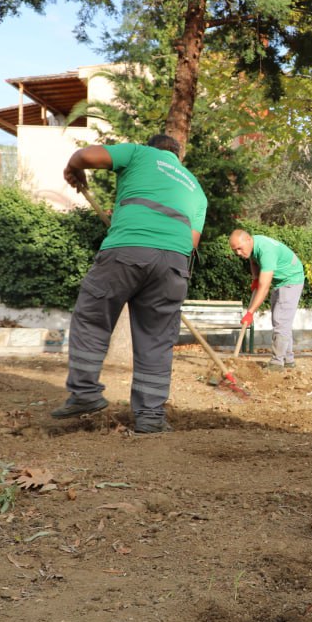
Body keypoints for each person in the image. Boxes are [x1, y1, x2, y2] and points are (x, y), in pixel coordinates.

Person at [52, 134, 207, 434]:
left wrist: (74, 168)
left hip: (127, 250)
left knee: (93, 317)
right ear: (178, 157)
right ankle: (150, 416)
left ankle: (84, 392)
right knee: (157, 340)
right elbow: (191, 242)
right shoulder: (195, 188)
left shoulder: (139, 153)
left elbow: (85, 156)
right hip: (174, 263)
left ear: (151, 147)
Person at [228, 229, 305, 369]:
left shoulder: (266, 251)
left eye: (239, 248)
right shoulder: (253, 246)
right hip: (280, 281)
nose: (238, 253)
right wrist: (255, 278)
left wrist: (250, 312)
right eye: (235, 251)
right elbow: (253, 261)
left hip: (291, 279)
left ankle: (277, 363)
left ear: (248, 240)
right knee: (281, 321)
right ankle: (288, 360)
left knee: (280, 321)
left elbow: (264, 288)